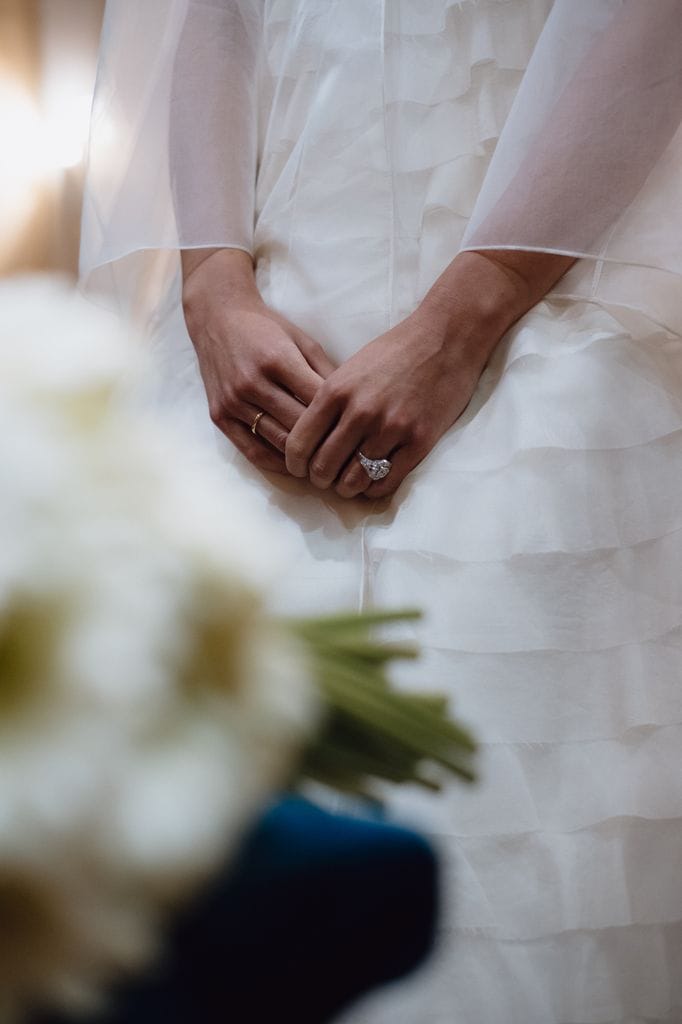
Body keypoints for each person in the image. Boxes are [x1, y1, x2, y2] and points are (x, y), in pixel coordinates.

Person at [82, 2, 682, 1021]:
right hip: (249, 346)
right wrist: (211, 283)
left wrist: (466, 315)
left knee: (523, 811)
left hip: (544, 308)